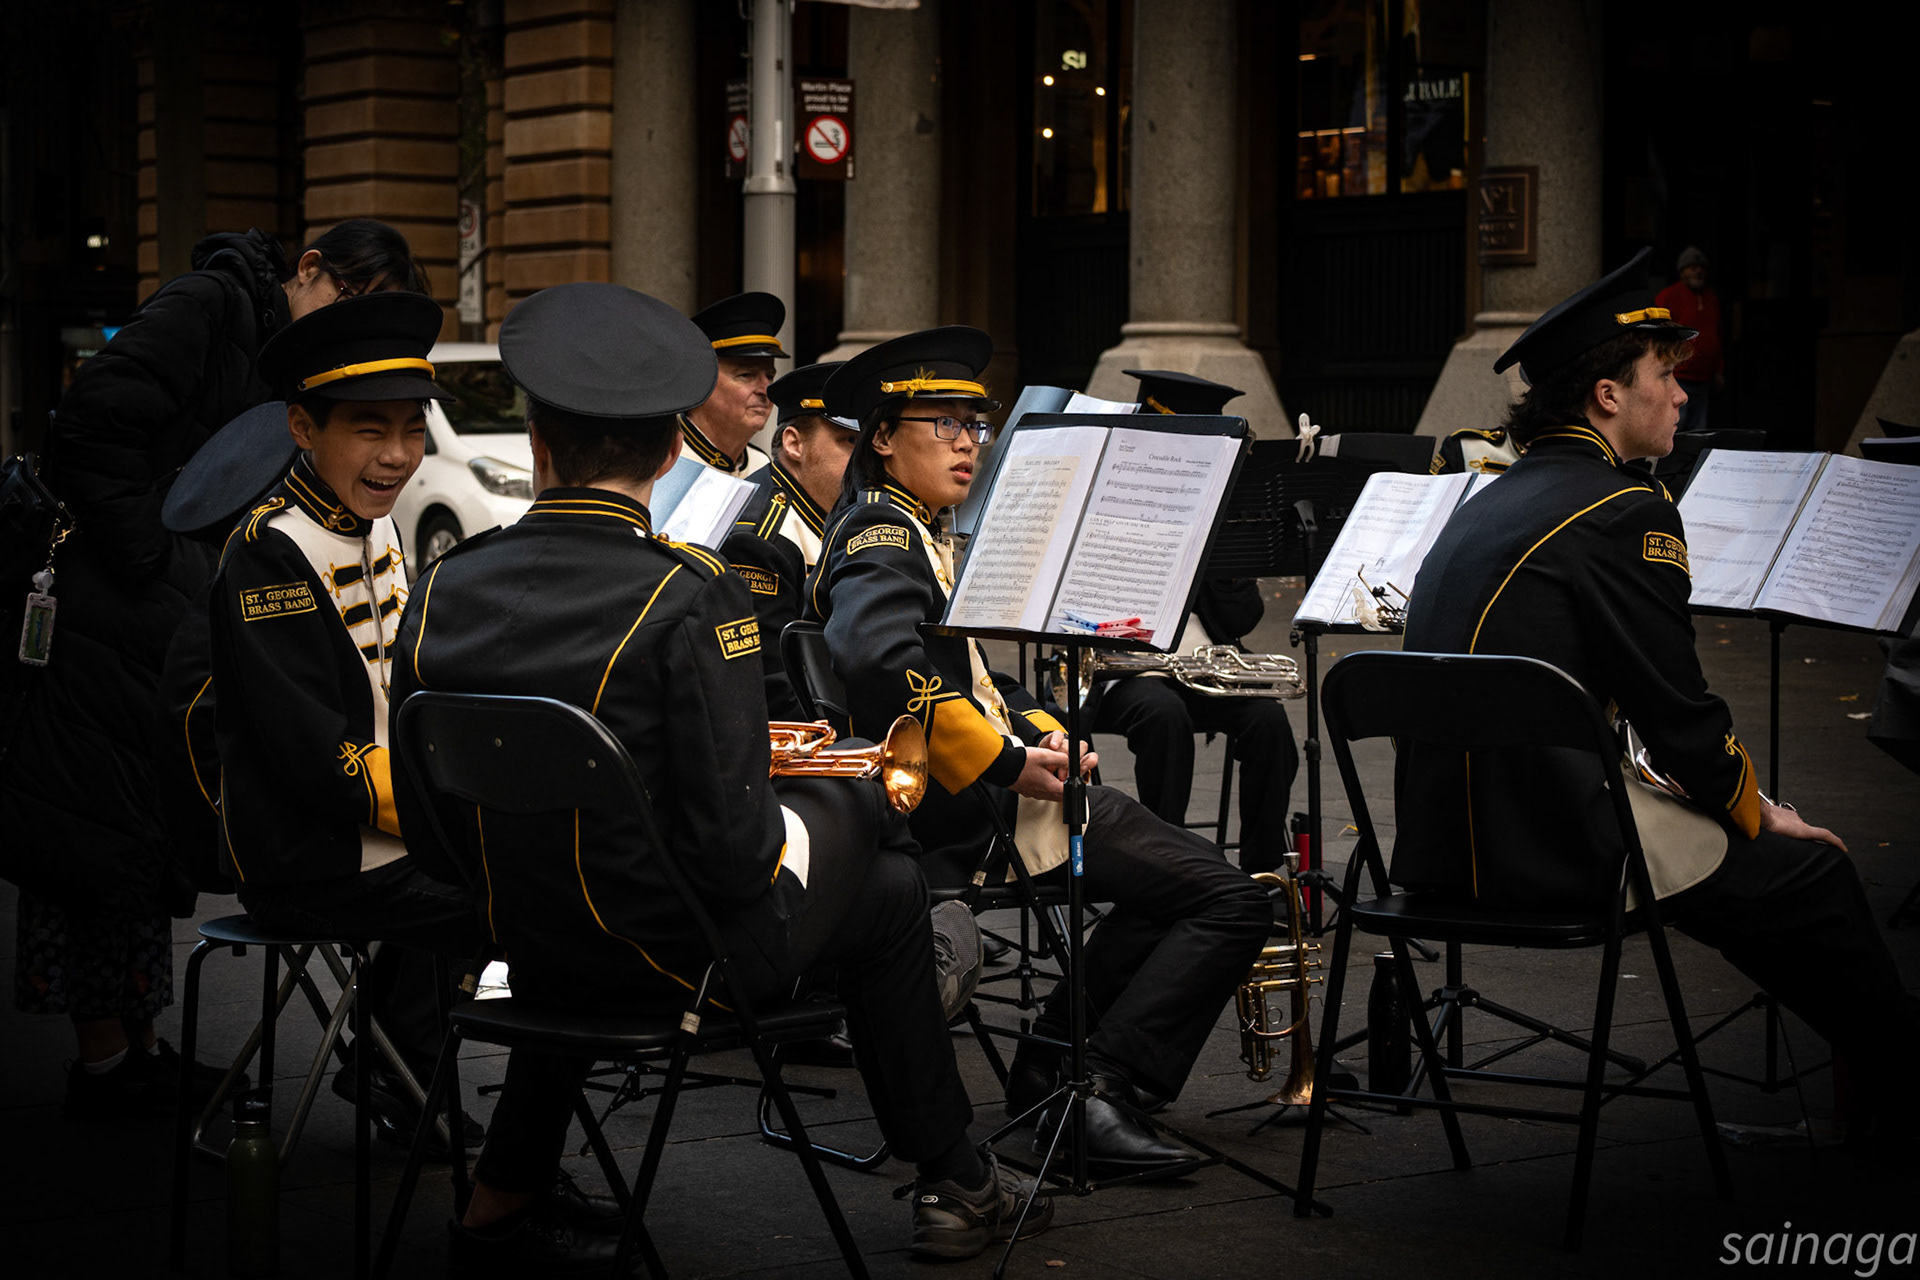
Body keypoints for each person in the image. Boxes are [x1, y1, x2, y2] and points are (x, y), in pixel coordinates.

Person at [387, 284, 1043, 1270]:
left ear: (535, 438)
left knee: (607, 869)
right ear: (667, 453)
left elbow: (434, 830)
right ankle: (955, 1175)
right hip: (667, 963)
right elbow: (736, 859)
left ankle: (499, 1199)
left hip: (516, 938)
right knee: (888, 875)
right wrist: (843, 795)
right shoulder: (690, 593)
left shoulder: (442, 584)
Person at [1397, 248, 1920, 1143]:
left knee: (1760, 881)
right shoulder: (1622, 510)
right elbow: (1679, 713)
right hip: (1553, 850)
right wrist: (1757, 808)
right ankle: (1904, 1091)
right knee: (1812, 872)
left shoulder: (1489, 501)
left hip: (1440, 847)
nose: (1681, 395)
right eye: (1664, 376)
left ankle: (1882, 1082)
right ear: (1608, 395)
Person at [805, 327, 1272, 1174]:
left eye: (975, 425)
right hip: (969, 813)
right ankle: (1098, 1084)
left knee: (1181, 890)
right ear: (883, 438)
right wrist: (1008, 762)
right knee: (1231, 900)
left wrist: (1042, 726)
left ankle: (1055, 1068)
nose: (967, 444)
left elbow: (971, 675)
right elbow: (875, 661)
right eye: (943, 424)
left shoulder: (914, 526)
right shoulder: (883, 535)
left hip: (977, 795)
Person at [0, 219, 426, 1117]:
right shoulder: (212, 304)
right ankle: (105, 1061)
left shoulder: (283, 349)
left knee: (138, 846)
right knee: (91, 840)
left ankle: (140, 1048)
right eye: (350, 300)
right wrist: (165, 562)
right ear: (309, 269)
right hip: (112, 617)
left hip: (160, 616)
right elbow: (92, 421)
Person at [209, 290, 483, 1149]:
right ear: (303, 427)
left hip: (389, 833)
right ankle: (409, 1071)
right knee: (511, 893)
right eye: (370, 429)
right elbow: (317, 753)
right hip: (311, 852)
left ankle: (397, 1063)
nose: (397, 455)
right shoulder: (270, 548)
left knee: (519, 871)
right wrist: (456, 816)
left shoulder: (378, 525)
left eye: (411, 429)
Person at [1079, 370, 1300, 875]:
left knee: (1268, 722)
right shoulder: (1106, 496)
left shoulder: (1216, 504)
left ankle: (1263, 872)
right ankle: (1169, 869)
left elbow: (1243, 618)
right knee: (1163, 716)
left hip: (1204, 663)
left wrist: (1226, 562)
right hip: (1122, 669)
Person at [721, 359, 857, 718]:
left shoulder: (833, 508)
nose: (866, 459)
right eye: (849, 441)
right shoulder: (761, 538)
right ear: (794, 444)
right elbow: (770, 685)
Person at [679, 291, 786, 476]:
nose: (765, 390)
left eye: (770, 376)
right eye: (746, 375)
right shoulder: (661, 462)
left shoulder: (760, 465)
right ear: (702, 381)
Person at [1654, 246, 1723, 431]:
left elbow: (1717, 333)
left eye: (1701, 268)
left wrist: (1719, 369)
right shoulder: (1669, 296)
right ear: (1682, 271)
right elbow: (1656, 333)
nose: (1698, 271)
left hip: (1704, 377)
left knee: (1699, 428)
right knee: (1677, 424)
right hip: (1678, 375)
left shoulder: (1710, 297)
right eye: (1692, 267)